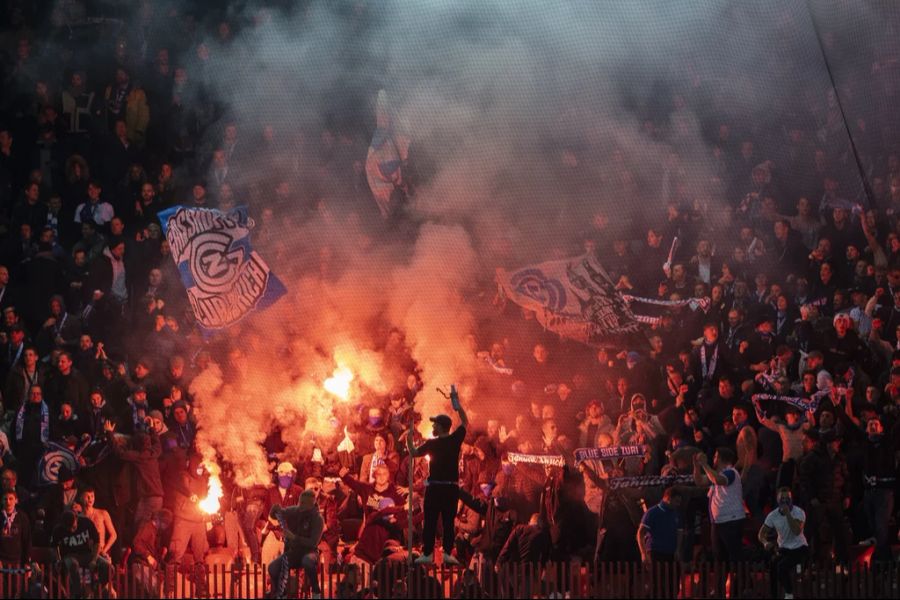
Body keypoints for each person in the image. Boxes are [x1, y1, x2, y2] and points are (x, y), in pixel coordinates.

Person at [407, 384, 469, 566]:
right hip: (445, 488)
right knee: (438, 520)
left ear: (442, 426)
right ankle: (435, 553)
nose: (432, 425)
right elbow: (464, 422)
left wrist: (456, 402)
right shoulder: (445, 441)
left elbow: (413, 452)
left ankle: (437, 553)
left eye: (435, 424)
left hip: (439, 488)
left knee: (439, 521)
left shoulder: (443, 441)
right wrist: (456, 404)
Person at [267, 489, 324, 599]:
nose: (300, 505)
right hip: (294, 553)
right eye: (300, 502)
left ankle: (316, 592)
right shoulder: (295, 511)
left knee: (307, 561)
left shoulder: (318, 519)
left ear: (311, 504)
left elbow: (312, 543)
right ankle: (282, 594)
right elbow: (277, 515)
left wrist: (294, 537)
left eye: (303, 503)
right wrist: (274, 509)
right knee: (272, 568)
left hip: (310, 552)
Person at [693, 447, 744, 562]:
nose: (713, 459)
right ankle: (723, 579)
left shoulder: (731, 472)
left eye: (715, 456)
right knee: (719, 557)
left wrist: (705, 465)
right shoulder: (717, 474)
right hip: (718, 521)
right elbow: (699, 481)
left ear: (721, 459)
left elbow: (718, 480)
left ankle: (741, 578)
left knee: (734, 556)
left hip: (731, 521)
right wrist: (697, 466)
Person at [758, 488, 808, 600]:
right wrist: (765, 542)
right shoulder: (773, 515)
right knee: (773, 564)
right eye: (782, 499)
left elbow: (796, 531)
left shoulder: (799, 512)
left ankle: (789, 594)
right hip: (784, 548)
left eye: (787, 499)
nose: (785, 501)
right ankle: (774, 594)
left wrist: (788, 514)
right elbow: (761, 533)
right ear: (778, 500)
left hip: (799, 547)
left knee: (782, 566)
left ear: (791, 500)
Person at [51, 510, 102, 598]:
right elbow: (54, 546)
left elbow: (97, 542)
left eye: (73, 527)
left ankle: (96, 588)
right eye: (68, 528)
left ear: (77, 519)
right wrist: (58, 560)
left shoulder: (86, 523)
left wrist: (94, 560)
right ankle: (78, 593)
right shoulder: (58, 529)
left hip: (87, 554)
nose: (71, 530)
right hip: (69, 556)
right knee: (73, 564)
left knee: (108, 567)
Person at [637, 487, 684, 563]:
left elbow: (679, 532)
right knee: (657, 574)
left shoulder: (676, 513)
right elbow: (640, 533)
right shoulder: (652, 513)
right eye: (676, 501)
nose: (678, 504)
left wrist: (678, 550)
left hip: (672, 553)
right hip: (655, 553)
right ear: (668, 499)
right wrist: (643, 553)